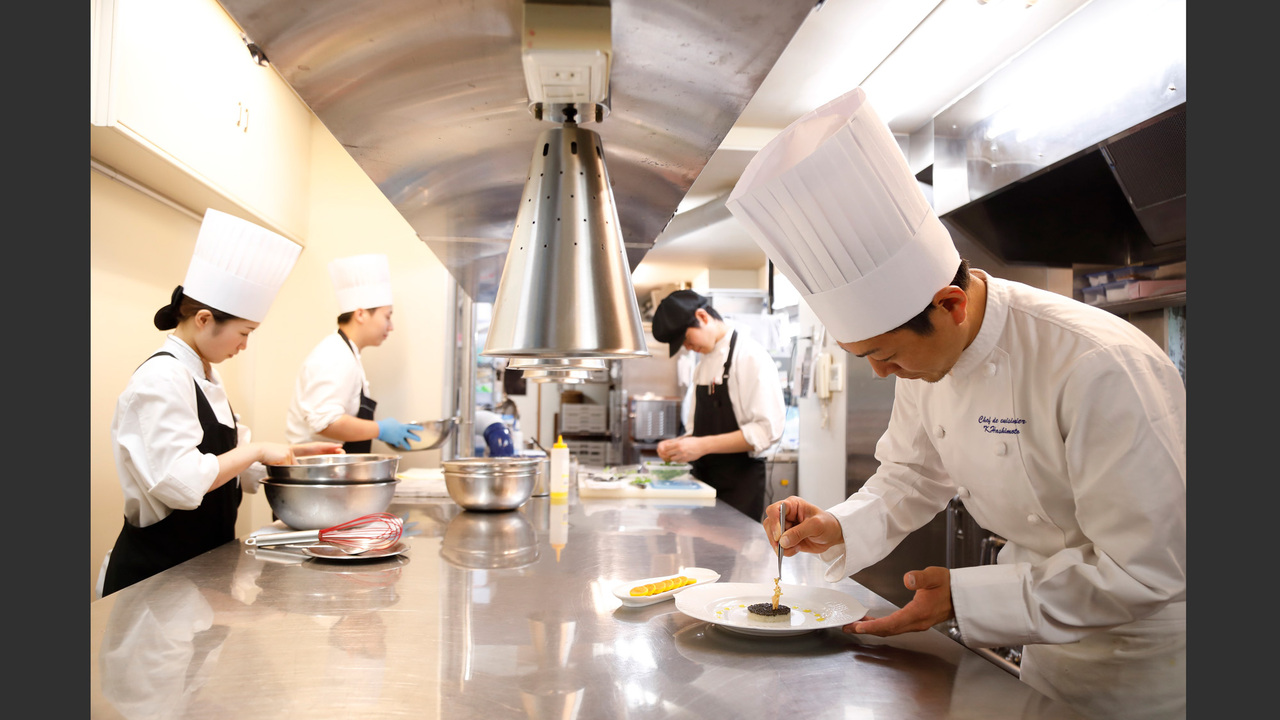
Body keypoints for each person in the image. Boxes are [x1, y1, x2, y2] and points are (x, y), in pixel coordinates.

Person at [726, 86, 1186, 720]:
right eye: (866, 359)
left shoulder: (1096, 363)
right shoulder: (928, 362)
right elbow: (913, 474)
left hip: (1143, 668)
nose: (884, 375)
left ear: (949, 305)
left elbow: (1144, 569)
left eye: (885, 354)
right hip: (1046, 649)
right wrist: (838, 525)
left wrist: (966, 598)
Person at [102, 209, 344, 597]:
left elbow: (233, 463)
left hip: (198, 574)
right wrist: (257, 450)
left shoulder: (205, 375)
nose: (244, 346)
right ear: (203, 319)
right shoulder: (160, 379)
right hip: (156, 578)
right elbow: (180, 483)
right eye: (244, 333)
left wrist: (293, 454)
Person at [650, 290, 786, 520]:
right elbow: (698, 431)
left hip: (739, 486)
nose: (688, 347)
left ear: (703, 317)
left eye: (686, 339)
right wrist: (679, 445)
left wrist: (701, 446)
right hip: (703, 483)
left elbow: (765, 432)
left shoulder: (750, 357)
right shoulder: (702, 367)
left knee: (732, 554)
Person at [285, 254, 422, 452]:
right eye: (387, 316)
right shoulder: (335, 355)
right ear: (360, 314)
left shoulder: (347, 353)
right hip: (318, 473)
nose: (390, 327)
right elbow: (325, 422)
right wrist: (380, 429)